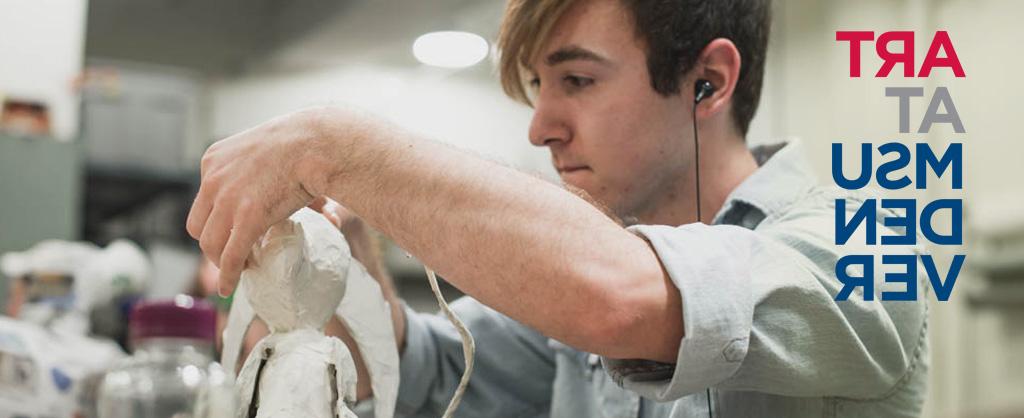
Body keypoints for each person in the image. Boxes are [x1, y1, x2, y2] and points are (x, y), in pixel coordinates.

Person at [185, 0, 930, 416]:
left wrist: (337, 145)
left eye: (576, 81)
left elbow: (620, 298)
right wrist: (343, 263)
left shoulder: (865, 246)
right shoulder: (594, 251)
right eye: (539, 88)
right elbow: (423, 371)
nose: (541, 126)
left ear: (708, 81)